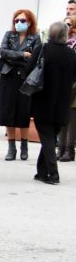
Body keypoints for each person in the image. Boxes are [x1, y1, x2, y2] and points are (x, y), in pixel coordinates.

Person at [26, 22, 76, 184]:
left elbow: (28, 70)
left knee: (47, 138)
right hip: (63, 103)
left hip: (42, 101)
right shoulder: (71, 54)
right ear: (65, 35)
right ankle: (41, 172)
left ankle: (53, 174)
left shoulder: (43, 49)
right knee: (50, 136)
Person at [0, 9, 42, 161]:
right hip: (8, 76)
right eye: (16, 20)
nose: (19, 23)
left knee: (24, 111)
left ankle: (24, 145)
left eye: (22, 20)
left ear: (29, 22)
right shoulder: (9, 35)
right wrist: (22, 54)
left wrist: (14, 57)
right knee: (7, 111)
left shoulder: (35, 37)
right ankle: (11, 147)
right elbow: (3, 52)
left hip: (25, 77)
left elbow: (34, 58)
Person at [57, 16, 76, 162]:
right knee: (61, 116)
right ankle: (61, 148)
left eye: (69, 24)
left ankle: (70, 149)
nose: (66, 27)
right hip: (61, 83)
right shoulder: (60, 43)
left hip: (74, 84)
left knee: (71, 117)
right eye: (64, 24)